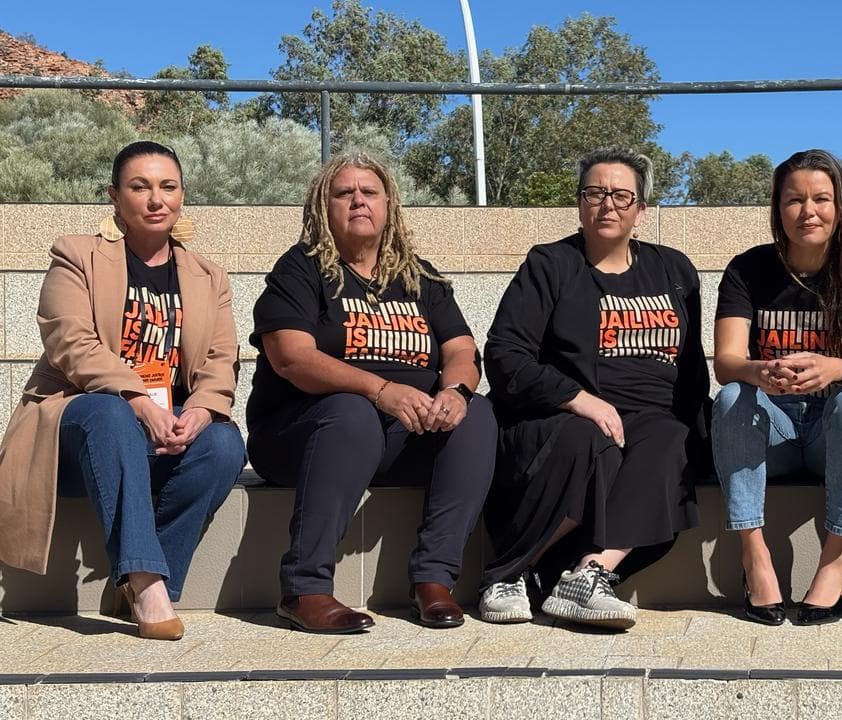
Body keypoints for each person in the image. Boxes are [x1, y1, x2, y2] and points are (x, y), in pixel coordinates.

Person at [0, 141, 245, 640]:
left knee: (224, 443)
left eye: (168, 187)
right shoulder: (77, 255)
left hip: (159, 432)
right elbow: (72, 343)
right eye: (139, 186)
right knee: (109, 414)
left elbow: (221, 359)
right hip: (79, 429)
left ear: (182, 195)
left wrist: (200, 411)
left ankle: (143, 584)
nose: (156, 199)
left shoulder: (208, 276)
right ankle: (146, 581)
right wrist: (136, 399)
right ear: (115, 196)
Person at [246, 153, 496, 633]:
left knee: (476, 413)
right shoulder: (301, 269)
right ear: (324, 207)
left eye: (369, 192)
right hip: (302, 436)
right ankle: (304, 588)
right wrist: (380, 390)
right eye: (344, 193)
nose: (358, 200)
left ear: (389, 205)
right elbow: (291, 357)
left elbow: (462, 350)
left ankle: (433, 580)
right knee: (351, 412)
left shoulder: (418, 276)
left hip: (396, 438)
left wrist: (455, 391)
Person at [479, 147, 708, 630]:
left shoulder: (674, 270)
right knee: (592, 439)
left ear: (641, 210)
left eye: (622, 196)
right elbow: (504, 354)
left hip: (652, 418)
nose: (607, 205)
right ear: (580, 203)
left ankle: (589, 574)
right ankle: (508, 574)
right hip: (563, 416)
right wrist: (578, 399)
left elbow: (690, 366)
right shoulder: (550, 264)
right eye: (594, 193)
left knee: (673, 438)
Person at [710, 149, 842, 626]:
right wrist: (758, 371)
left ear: (841, 206)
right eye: (794, 200)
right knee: (732, 396)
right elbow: (726, 363)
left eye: (821, 199)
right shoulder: (749, 268)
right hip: (771, 429)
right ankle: (754, 554)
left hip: (828, 433)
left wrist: (834, 368)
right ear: (778, 208)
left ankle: (835, 559)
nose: (808, 211)